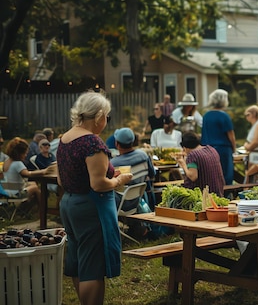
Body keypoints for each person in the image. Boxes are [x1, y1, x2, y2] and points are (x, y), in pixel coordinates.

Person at [56, 90, 134, 305]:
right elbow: (98, 184)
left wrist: (108, 175)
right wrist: (119, 181)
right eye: (107, 117)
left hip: (69, 204)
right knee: (93, 263)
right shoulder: (93, 143)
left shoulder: (65, 138)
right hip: (91, 207)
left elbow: (62, 180)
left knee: (79, 259)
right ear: (99, 116)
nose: (106, 122)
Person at [1, 137, 54, 212]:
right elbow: (28, 174)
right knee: (35, 189)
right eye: (25, 153)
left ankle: (25, 208)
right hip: (15, 195)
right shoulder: (17, 164)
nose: (26, 155)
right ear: (19, 153)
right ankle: (43, 210)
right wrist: (43, 171)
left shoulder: (6, 161)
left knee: (32, 184)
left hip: (6, 192)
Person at [110, 127, 156, 208]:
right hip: (138, 201)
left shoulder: (113, 164)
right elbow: (152, 174)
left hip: (120, 205)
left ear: (117, 144)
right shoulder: (143, 155)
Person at [201, 89, 236, 185]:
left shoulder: (206, 116)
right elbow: (231, 135)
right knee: (226, 175)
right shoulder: (224, 116)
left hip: (207, 149)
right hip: (223, 149)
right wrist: (234, 149)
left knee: (211, 175)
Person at [176, 132, 225, 196]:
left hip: (203, 195)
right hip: (218, 192)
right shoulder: (211, 149)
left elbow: (193, 177)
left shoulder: (193, 155)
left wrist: (183, 164)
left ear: (185, 147)